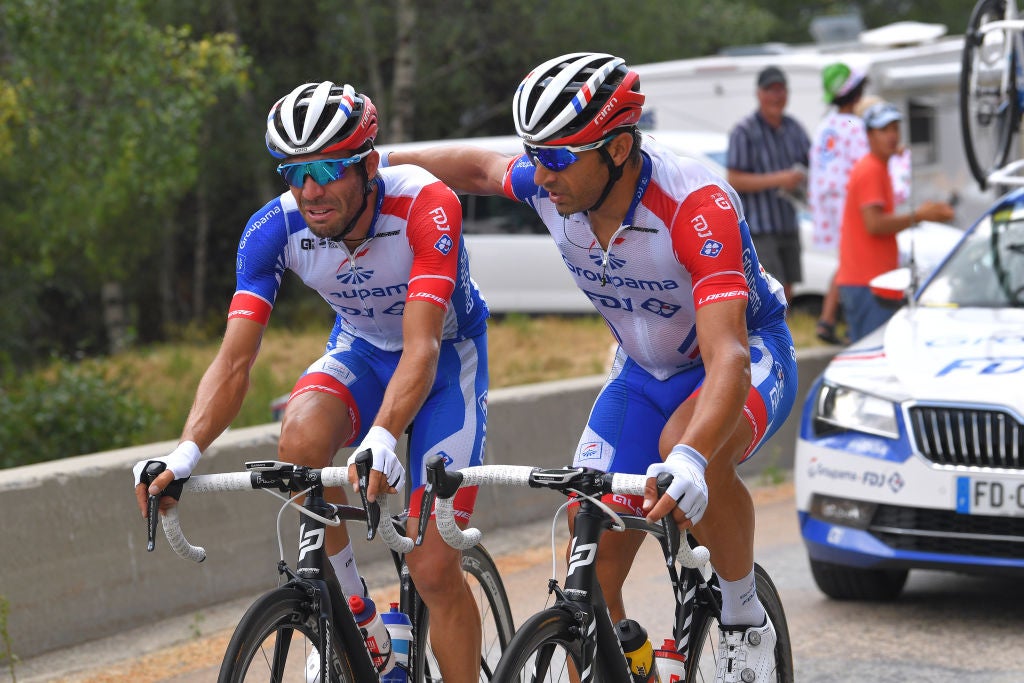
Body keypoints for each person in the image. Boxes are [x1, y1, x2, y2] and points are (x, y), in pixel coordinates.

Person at [388, 52, 798, 682]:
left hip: (743, 357)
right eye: (535, 153)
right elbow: (475, 168)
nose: (540, 171)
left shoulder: (694, 204)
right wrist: (374, 167)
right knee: (592, 557)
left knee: (684, 447)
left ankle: (745, 617)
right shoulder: (551, 181)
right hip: (640, 372)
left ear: (617, 148)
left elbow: (729, 355)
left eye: (556, 157)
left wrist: (690, 457)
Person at [132, 80, 490, 682]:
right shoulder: (274, 227)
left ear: (370, 166)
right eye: (294, 171)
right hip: (361, 347)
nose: (310, 189)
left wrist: (381, 434)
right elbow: (235, 360)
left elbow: (423, 346)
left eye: (328, 168)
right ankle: (361, 622)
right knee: (298, 442)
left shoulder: (425, 205)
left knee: (431, 568)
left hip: (444, 357)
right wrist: (187, 451)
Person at [836, 101, 955, 342]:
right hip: (868, 283)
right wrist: (920, 215)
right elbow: (875, 224)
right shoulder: (871, 169)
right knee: (872, 358)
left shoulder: (876, 166)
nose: (892, 136)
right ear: (869, 134)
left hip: (867, 280)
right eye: (884, 130)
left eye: (895, 129)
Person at [727, 65, 811, 304]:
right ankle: (771, 339)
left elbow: (812, 164)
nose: (776, 95)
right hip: (760, 229)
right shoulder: (744, 131)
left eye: (781, 89)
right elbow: (734, 179)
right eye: (770, 90)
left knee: (788, 288)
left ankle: (784, 338)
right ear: (759, 94)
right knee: (770, 291)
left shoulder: (794, 128)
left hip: (788, 222)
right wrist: (780, 179)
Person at [808, 62, 869, 345]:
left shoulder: (825, 126)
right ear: (856, 93)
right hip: (849, 200)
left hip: (826, 202)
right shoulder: (855, 126)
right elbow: (865, 165)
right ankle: (832, 318)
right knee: (853, 260)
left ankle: (829, 318)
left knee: (846, 258)